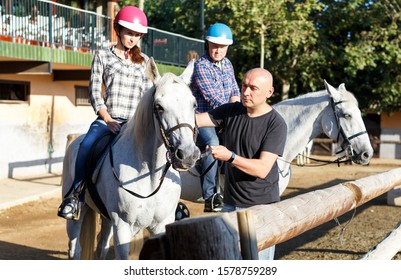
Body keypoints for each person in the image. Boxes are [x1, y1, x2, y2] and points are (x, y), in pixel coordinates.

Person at [57, 6, 152, 220]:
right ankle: (75, 196)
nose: (132, 38)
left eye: (137, 34)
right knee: (87, 145)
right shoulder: (102, 55)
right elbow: (93, 91)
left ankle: (167, 200)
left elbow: (147, 96)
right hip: (109, 120)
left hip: (135, 124)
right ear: (117, 29)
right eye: (129, 32)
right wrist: (107, 119)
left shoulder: (145, 61)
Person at [195, 68, 287, 259]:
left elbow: (262, 169)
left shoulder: (276, 124)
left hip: (261, 210)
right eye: (244, 85)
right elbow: (196, 120)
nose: (245, 92)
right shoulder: (231, 110)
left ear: (269, 92)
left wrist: (230, 157)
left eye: (253, 88)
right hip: (229, 206)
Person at [190, 23, 240, 212]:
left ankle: (233, 185)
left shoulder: (227, 64)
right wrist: (234, 113)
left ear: (227, 47)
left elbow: (234, 90)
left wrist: (236, 109)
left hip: (224, 115)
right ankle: (210, 196)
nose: (218, 50)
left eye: (222, 47)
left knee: (237, 137)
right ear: (207, 44)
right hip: (204, 117)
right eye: (214, 45)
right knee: (212, 143)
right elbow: (214, 99)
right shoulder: (201, 66)